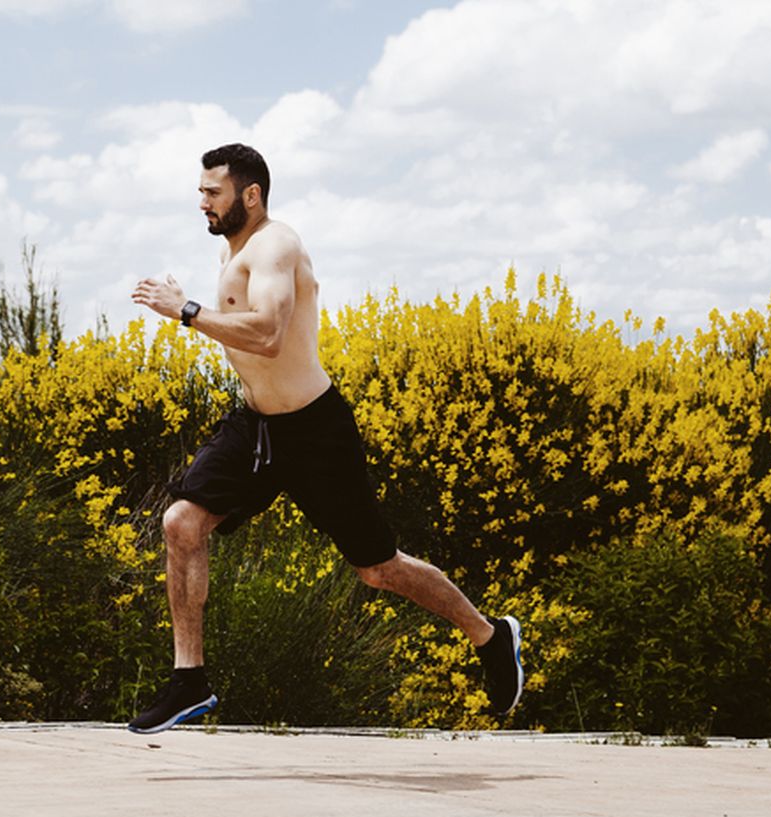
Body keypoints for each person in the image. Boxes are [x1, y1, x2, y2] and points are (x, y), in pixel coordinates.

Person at [127, 143, 521, 734]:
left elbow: (267, 334)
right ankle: (190, 681)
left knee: (378, 569)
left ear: (250, 195)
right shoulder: (238, 252)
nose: (201, 201)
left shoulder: (277, 244)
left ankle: (489, 636)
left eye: (213, 192)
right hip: (255, 427)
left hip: (315, 431)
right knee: (181, 523)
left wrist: (184, 309)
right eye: (201, 191)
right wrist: (197, 309)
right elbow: (244, 332)